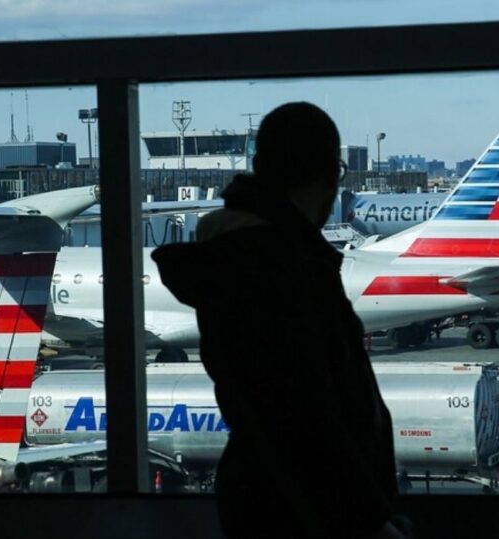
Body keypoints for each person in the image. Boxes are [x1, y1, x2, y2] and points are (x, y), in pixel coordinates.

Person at [152, 102, 405, 539]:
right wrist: (368, 520)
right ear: (331, 174)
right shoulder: (275, 267)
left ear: (259, 165)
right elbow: (301, 418)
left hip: (276, 505)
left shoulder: (249, 259)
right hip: (309, 515)